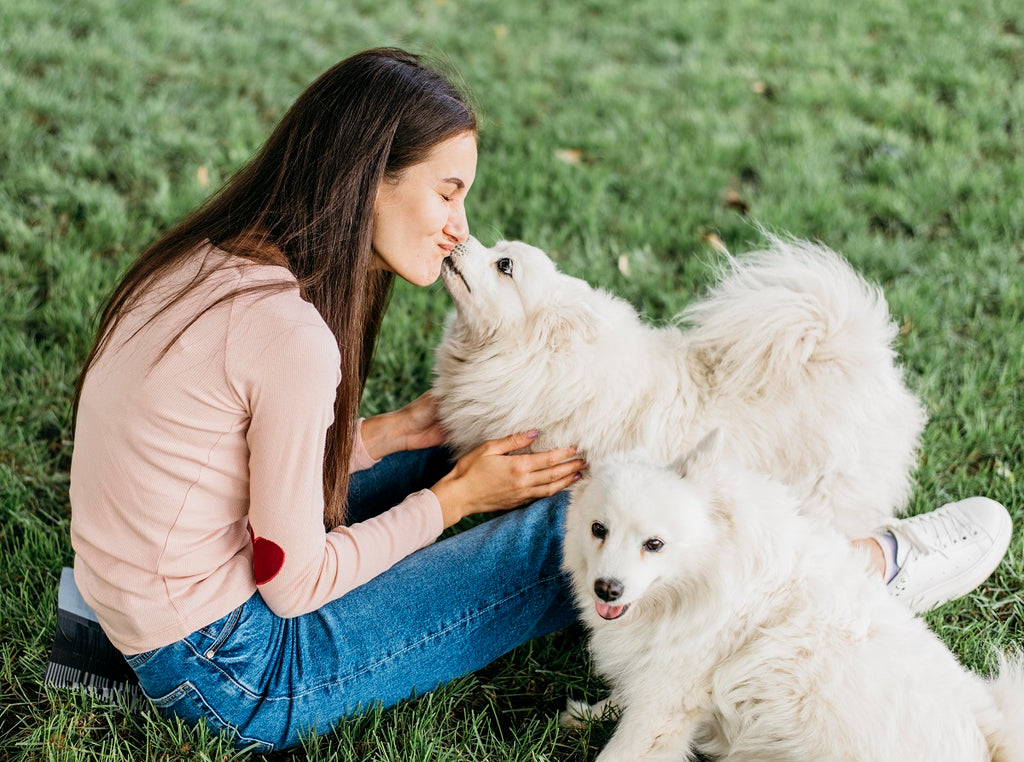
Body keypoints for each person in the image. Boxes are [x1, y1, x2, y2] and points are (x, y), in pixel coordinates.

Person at [68, 47, 1011, 752]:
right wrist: (450, 502)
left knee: (477, 449)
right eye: (446, 192)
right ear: (368, 175)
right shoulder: (294, 338)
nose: (457, 227)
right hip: (233, 670)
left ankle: (784, 557)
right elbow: (291, 580)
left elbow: (221, 455)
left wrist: (387, 436)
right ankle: (851, 567)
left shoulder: (205, 265)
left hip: (135, 600)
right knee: (565, 505)